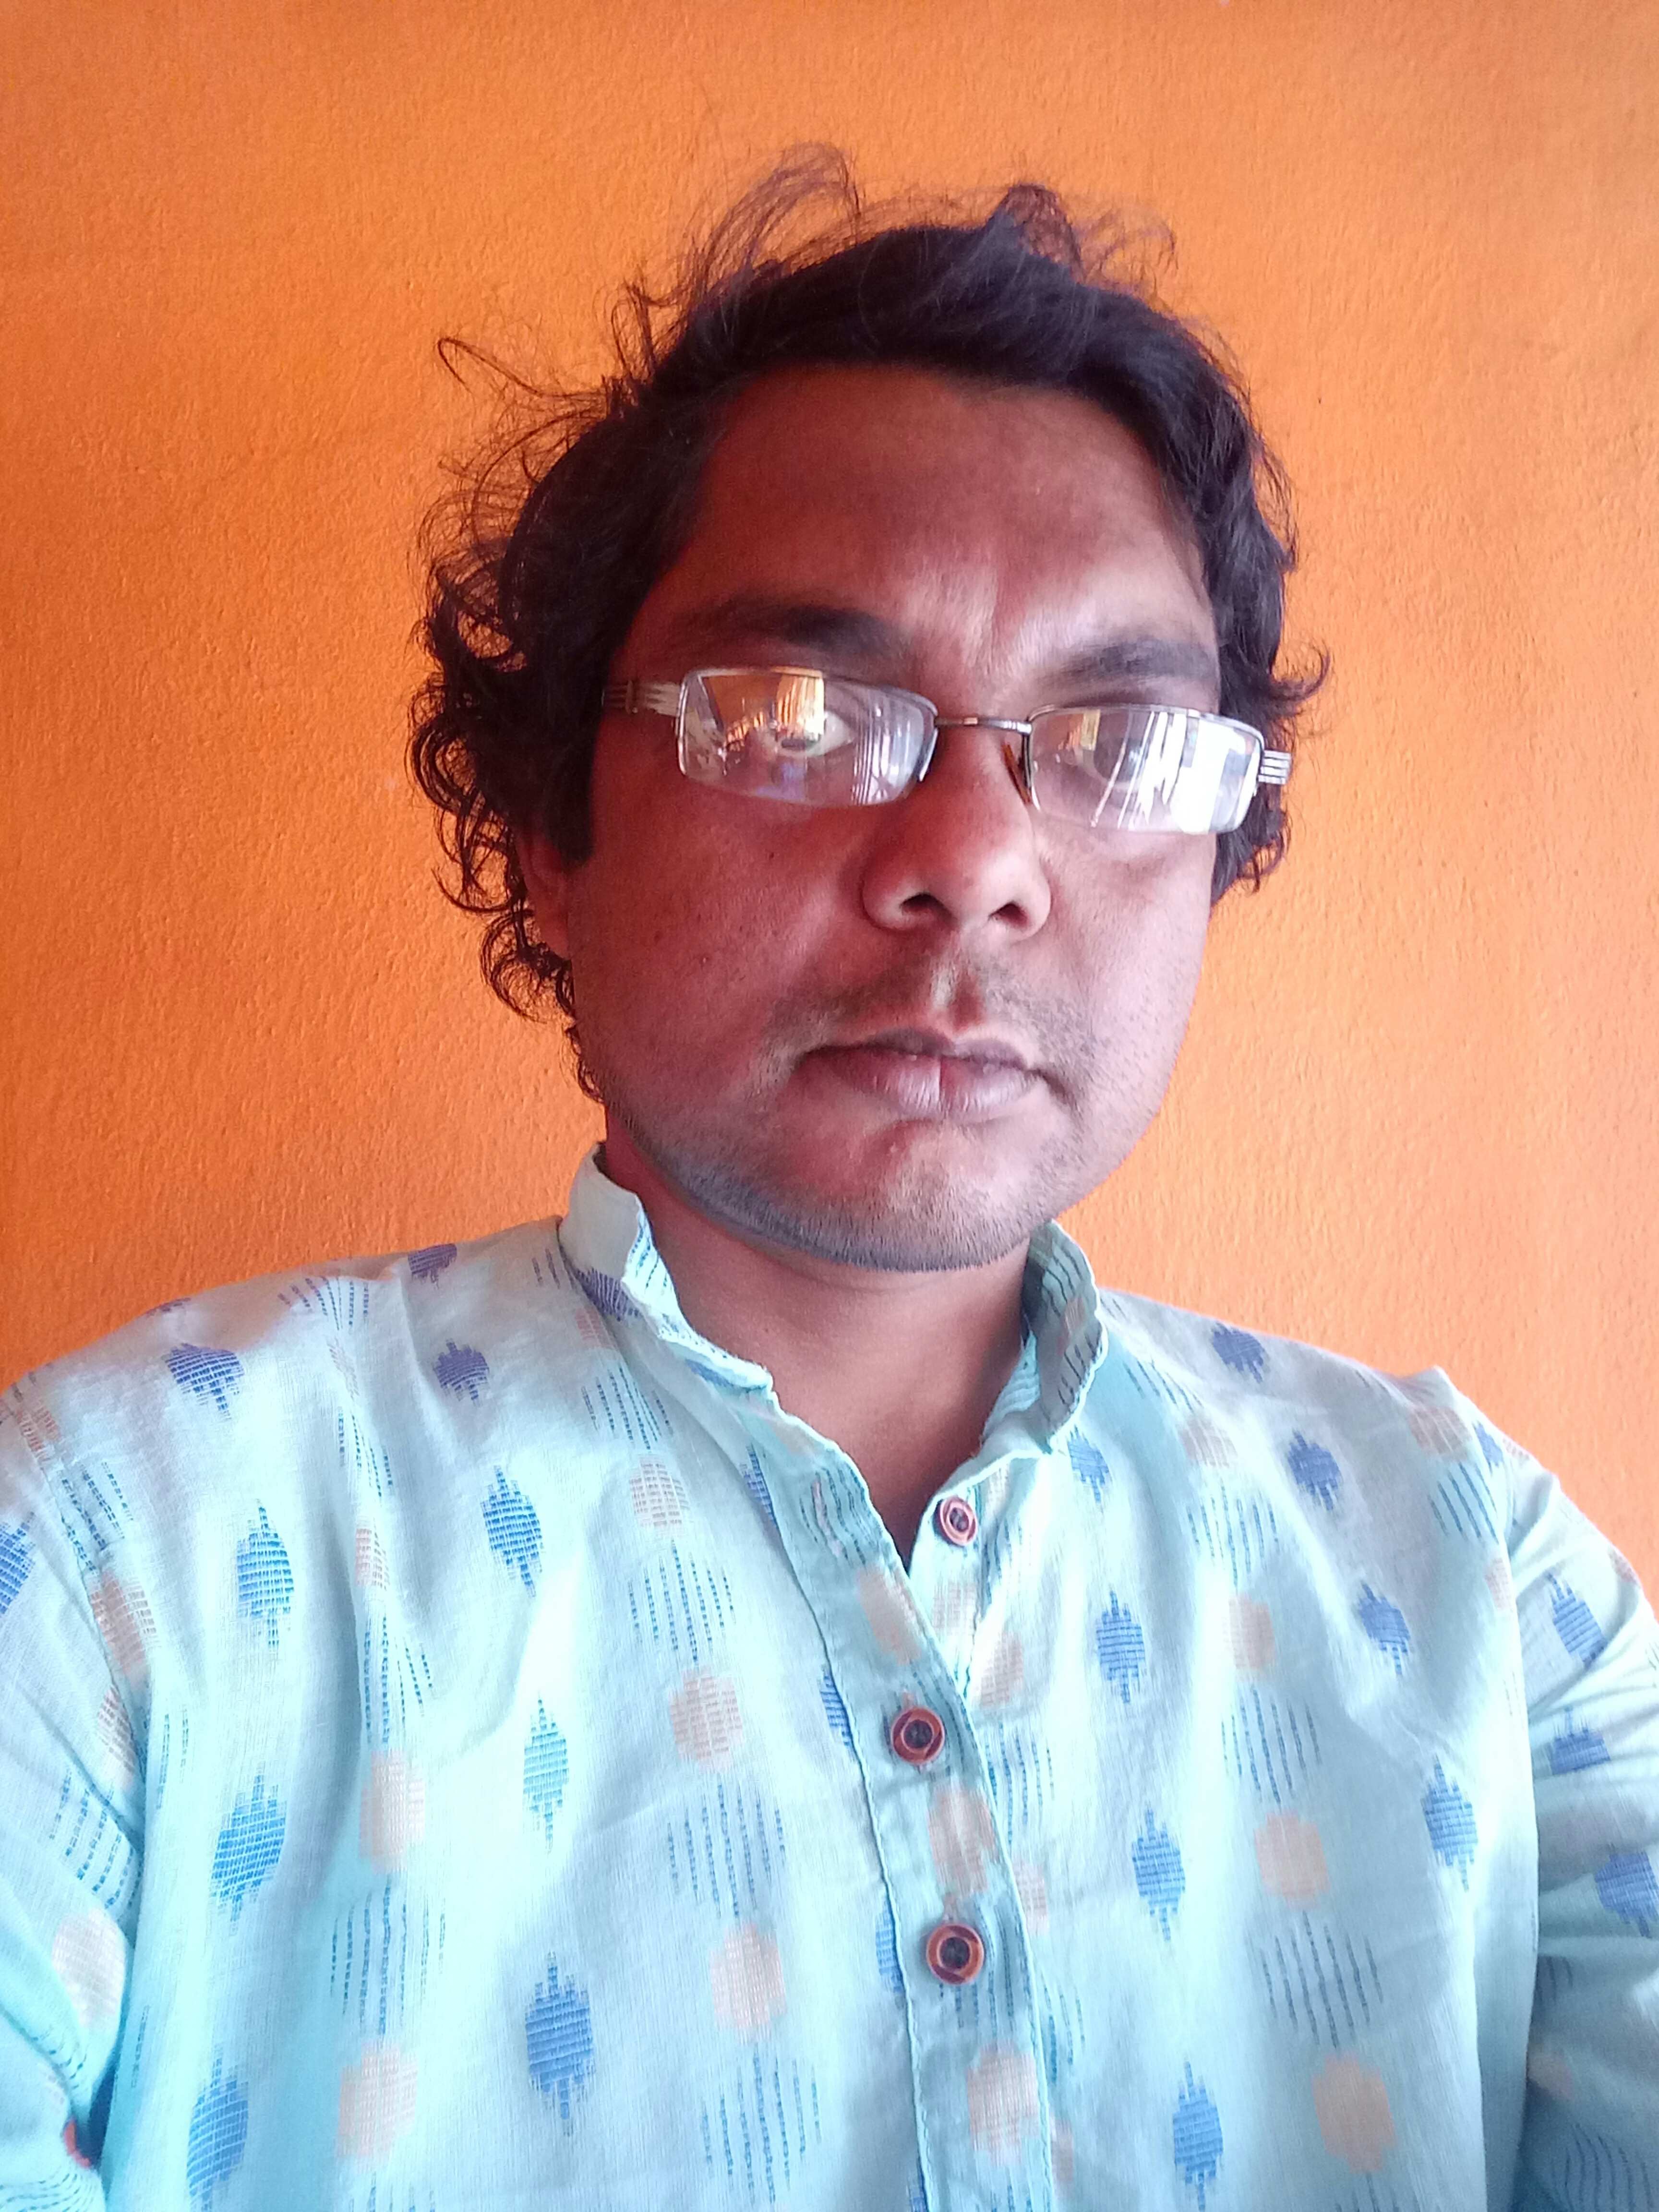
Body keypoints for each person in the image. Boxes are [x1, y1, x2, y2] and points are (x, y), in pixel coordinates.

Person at [1, 157, 1653, 2212]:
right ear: (551, 832)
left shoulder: (1480, 1580)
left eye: (1121, 740)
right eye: (796, 715)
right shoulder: (111, 1553)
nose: (978, 855)